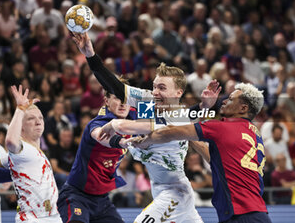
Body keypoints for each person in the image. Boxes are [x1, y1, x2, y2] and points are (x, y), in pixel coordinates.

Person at [71, 32, 218, 222]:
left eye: (162, 88)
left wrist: (117, 124)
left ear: (178, 92)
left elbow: (162, 122)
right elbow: (114, 85)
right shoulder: (149, 101)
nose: (155, 92)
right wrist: (91, 55)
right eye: (155, 86)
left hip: (175, 192)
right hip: (161, 189)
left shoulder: (180, 119)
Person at [118, 83, 272, 223]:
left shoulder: (223, 127)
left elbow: (169, 133)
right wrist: (189, 132)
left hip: (241, 215)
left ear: (243, 108)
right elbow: (217, 160)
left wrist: (142, 140)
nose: (224, 101)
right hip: (256, 213)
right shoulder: (254, 134)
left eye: (231, 99)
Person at [57, 87, 137, 223]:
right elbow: (100, 136)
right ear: (106, 101)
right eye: (117, 98)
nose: (123, 103)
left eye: (126, 99)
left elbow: (163, 111)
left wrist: (183, 116)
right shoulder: (98, 123)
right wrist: (123, 141)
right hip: (77, 195)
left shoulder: (132, 116)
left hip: (102, 200)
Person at [4, 85, 62, 222]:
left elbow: (0, 168)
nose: (38, 121)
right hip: (32, 219)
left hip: (53, 216)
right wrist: (20, 109)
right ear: (21, 126)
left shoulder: (36, 152)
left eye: (41, 118)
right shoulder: (22, 148)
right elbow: (11, 141)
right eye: (31, 118)